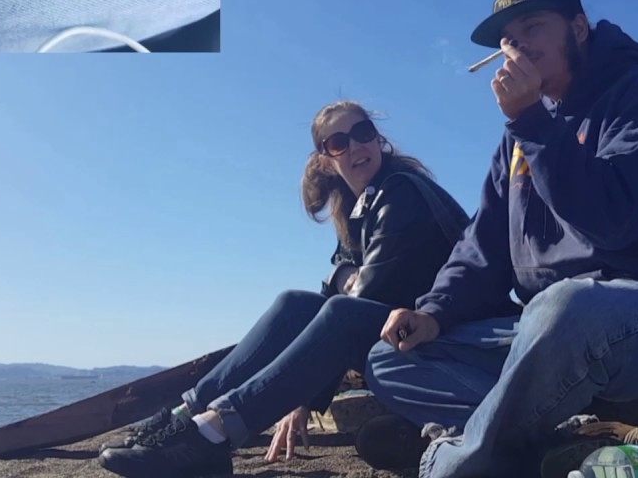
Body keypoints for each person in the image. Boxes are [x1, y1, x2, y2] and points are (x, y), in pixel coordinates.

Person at [362, 0, 638, 478]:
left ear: (578, 27)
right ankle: (560, 443)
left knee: (566, 305)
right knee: (389, 358)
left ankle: (451, 462)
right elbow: (483, 246)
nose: (518, 44)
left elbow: (614, 221)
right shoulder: (522, 134)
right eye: (508, 38)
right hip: (550, 335)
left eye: (532, 26)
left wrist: (530, 124)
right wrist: (435, 313)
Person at [98, 100, 470, 478]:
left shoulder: (400, 193)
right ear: (326, 159)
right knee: (293, 303)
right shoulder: (361, 205)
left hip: (448, 335)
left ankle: (213, 432)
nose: (356, 147)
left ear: (378, 138)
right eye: (339, 142)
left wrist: (303, 395)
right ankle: (186, 415)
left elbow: (361, 302)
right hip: (397, 331)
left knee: (339, 313)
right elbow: (338, 283)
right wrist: (343, 279)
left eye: (363, 133)